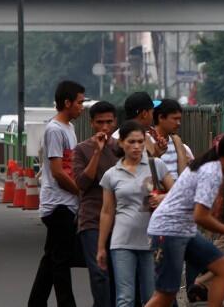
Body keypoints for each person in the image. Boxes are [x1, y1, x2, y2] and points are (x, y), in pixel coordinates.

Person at [145, 130, 224, 307]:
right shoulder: (212, 172)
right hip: (168, 231)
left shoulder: (211, 166)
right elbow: (201, 216)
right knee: (165, 295)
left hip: (183, 230)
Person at [98, 121, 175, 307]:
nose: (137, 146)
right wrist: (101, 246)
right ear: (121, 143)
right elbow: (107, 211)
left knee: (151, 296)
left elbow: (178, 192)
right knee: (125, 298)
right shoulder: (111, 174)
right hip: (121, 241)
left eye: (141, 141)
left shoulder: (156, 165)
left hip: (151, 240)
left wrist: (163, 197)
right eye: (131, 142)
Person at [29, 80, 86, 307]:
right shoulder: (54, 130)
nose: (82, 107)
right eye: (80, 102)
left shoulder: (69, 128)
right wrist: (81, 193)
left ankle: (36, 302)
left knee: (51, 257)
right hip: (58, 204)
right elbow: (58, 172)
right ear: (67, 102)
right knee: (61, 260)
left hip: (66, 203)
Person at [73, 101, 120, 307]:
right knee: (99, 274)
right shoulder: (82, 149)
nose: (105, 127)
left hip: (119, 221)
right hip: (92, 220)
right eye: (100, 122)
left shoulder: (122, 148)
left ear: (115, 122)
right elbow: (82, 183)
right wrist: (97, 153)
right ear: (92, 123)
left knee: (118, 275)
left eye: (109, 122)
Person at [113, 92, 167, 157]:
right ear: (144, 114)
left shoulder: (148, 135)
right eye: (152, 113)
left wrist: (157, 153)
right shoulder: (117, 139)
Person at [152, 99, 194, 180]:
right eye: (175, 119)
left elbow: (183, 175)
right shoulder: (147, 140)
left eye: (179, 119)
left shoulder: (176, 142)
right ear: (160, 117)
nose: (178, 123)